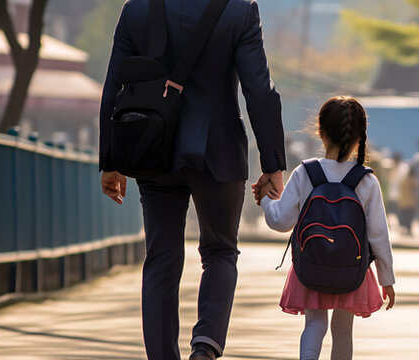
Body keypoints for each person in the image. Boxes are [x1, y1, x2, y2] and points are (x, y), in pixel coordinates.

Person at [98, 1, 287, 359]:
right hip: (217, 152)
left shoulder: (136, 10)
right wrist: (273, 162)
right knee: (220, 252)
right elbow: (259, 91)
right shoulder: (239, 12)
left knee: (160, 259)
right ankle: (205, 347)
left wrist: (111, 160)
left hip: (152, 150)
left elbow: (113, 86)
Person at [255, 96, 396, 360]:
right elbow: (379, 235)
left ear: (319, 131)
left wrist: (265, 199)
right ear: (359, 137)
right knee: (343, 330)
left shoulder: (305, 173)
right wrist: (386, 279)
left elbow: (281, 221)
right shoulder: (365, 180)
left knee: (314, 323)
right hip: (352, 269)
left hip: (312, 263)